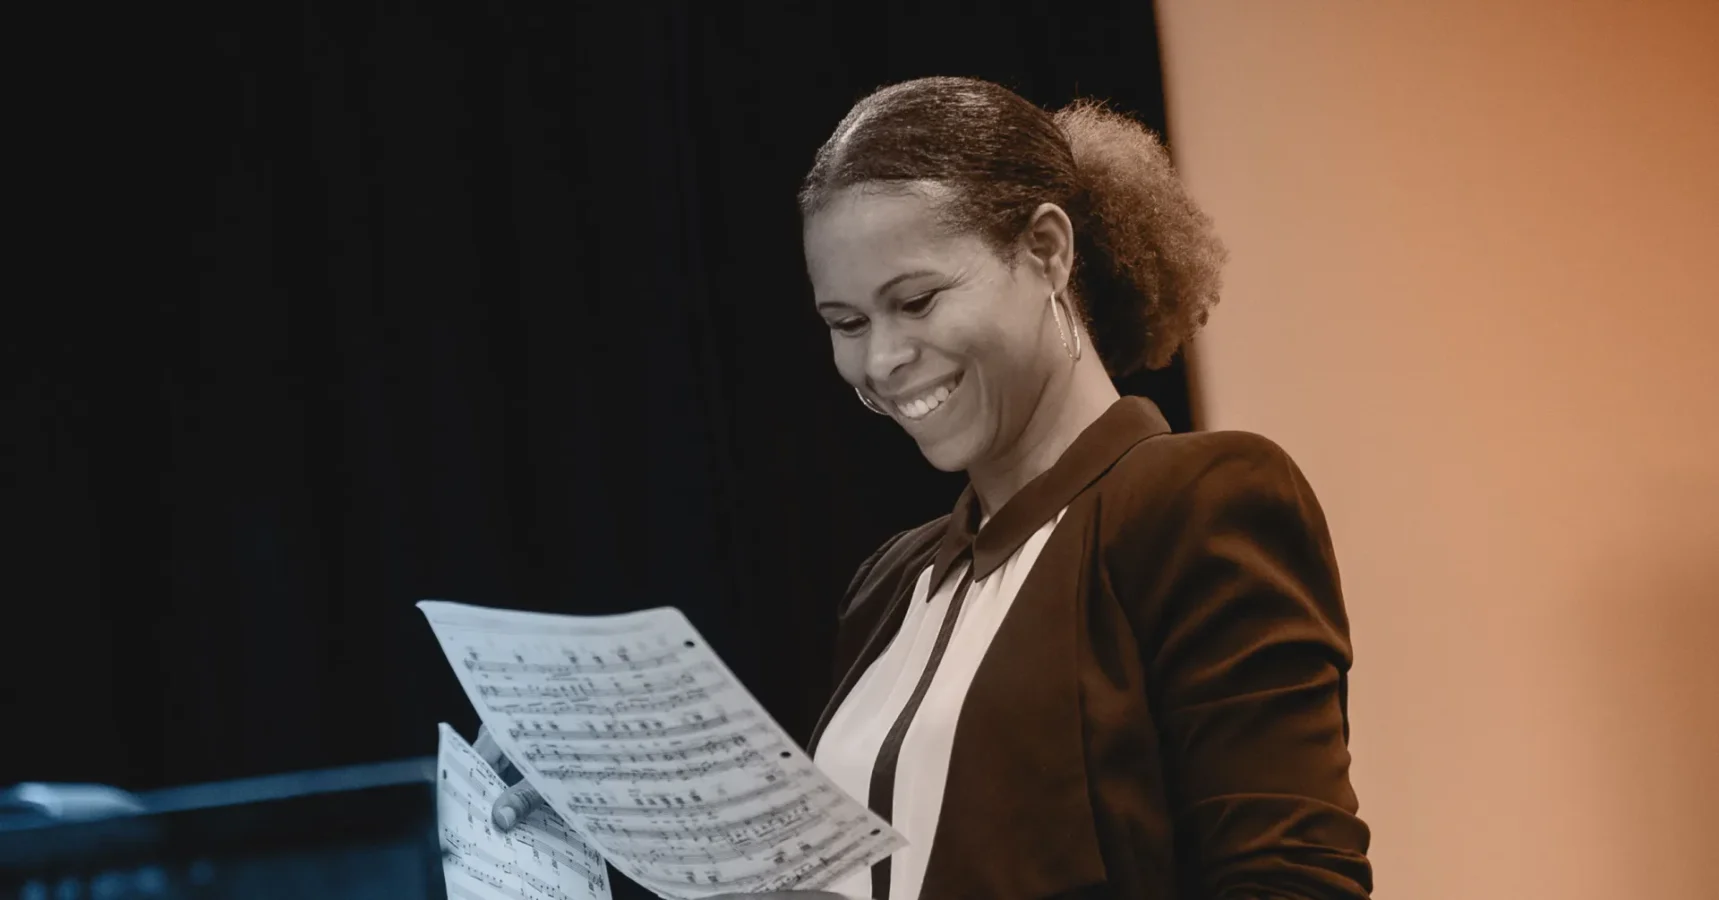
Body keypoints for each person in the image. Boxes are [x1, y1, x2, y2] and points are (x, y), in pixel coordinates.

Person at [484, 76, 1373, 899]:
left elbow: (1291, 885)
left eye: (915, 302)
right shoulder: (890, 585)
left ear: (1046, 250)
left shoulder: (1196, 501)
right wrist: (620, 820)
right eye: (845, 322)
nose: (879, 360)